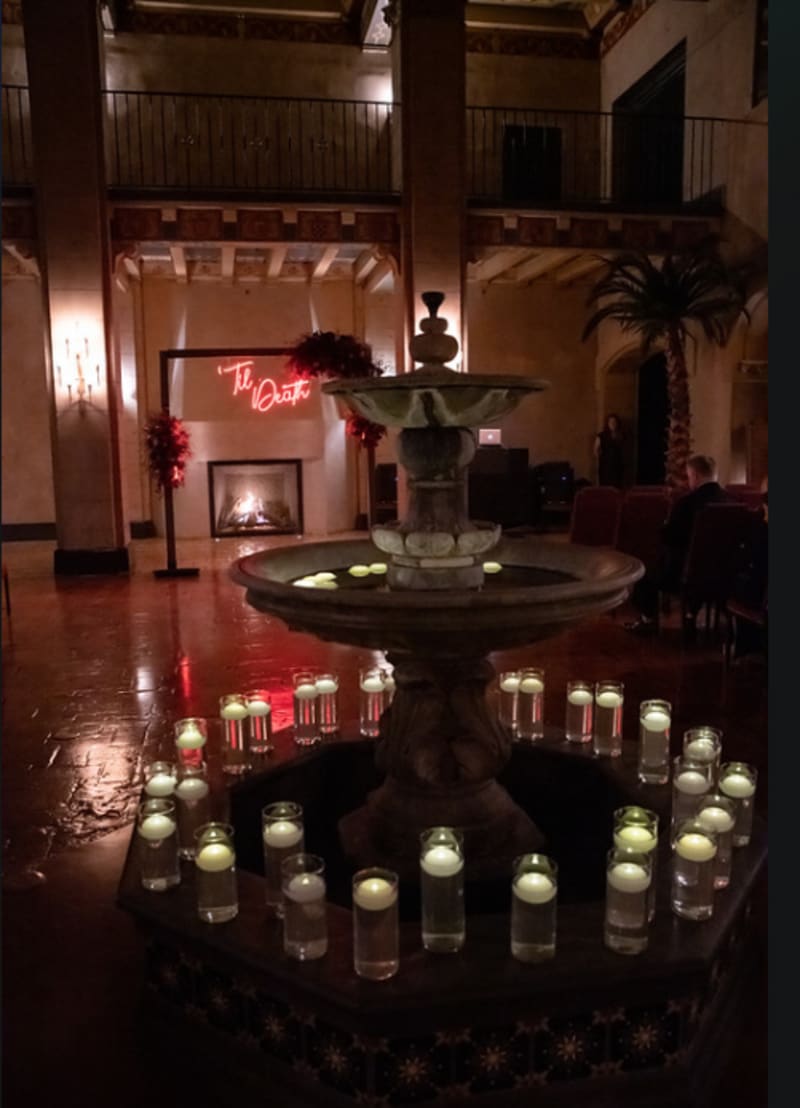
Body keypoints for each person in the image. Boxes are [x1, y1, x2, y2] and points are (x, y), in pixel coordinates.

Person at [625, 454, 731, 635]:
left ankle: (648, 619)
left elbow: (670, 538)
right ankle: (691, 613)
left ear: (695, 475)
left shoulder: (686, 504)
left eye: (689, 476)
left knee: (644, 574)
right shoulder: (731, 501)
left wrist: (664, 527)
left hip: (685, 574)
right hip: (723, 574)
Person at [594, 414, 625, 488]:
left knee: (617, 486)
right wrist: (600, 457)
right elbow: (596, 449)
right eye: (611, 422)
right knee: (605, 486)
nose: (613, 424)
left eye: (614, 422)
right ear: (607, 423)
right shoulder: (601, 435)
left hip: (617, 465)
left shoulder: (621, 435)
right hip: (605, 466)